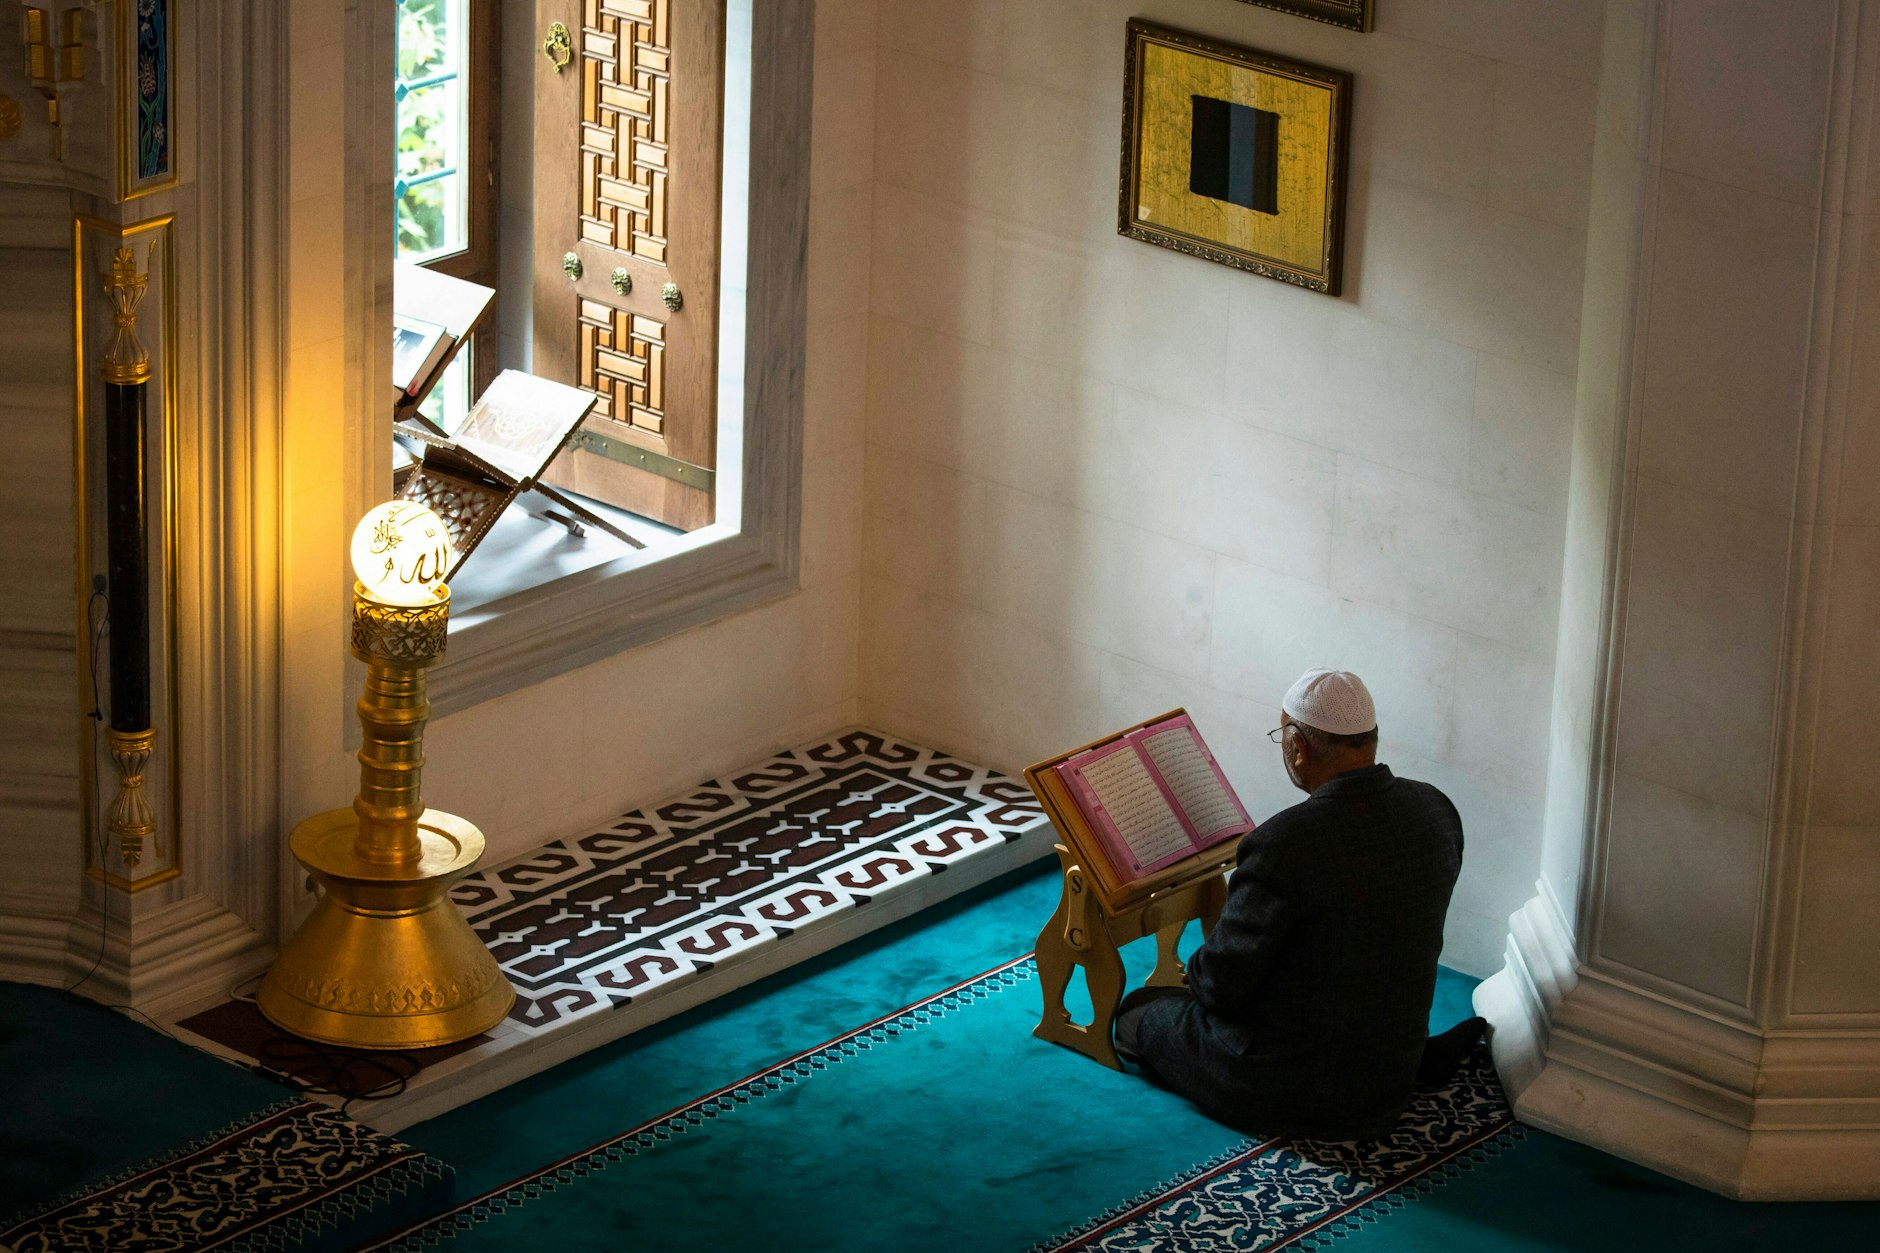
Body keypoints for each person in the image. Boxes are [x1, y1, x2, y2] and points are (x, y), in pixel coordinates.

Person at [1113, 668, 1485, 1141]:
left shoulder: (1284, 844)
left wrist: (1197, 969)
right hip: (1389, 1072)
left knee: (1140, 1011)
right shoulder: (1435, 809)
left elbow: (1220, 989)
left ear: (1296, 745)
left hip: (1294, 1088)